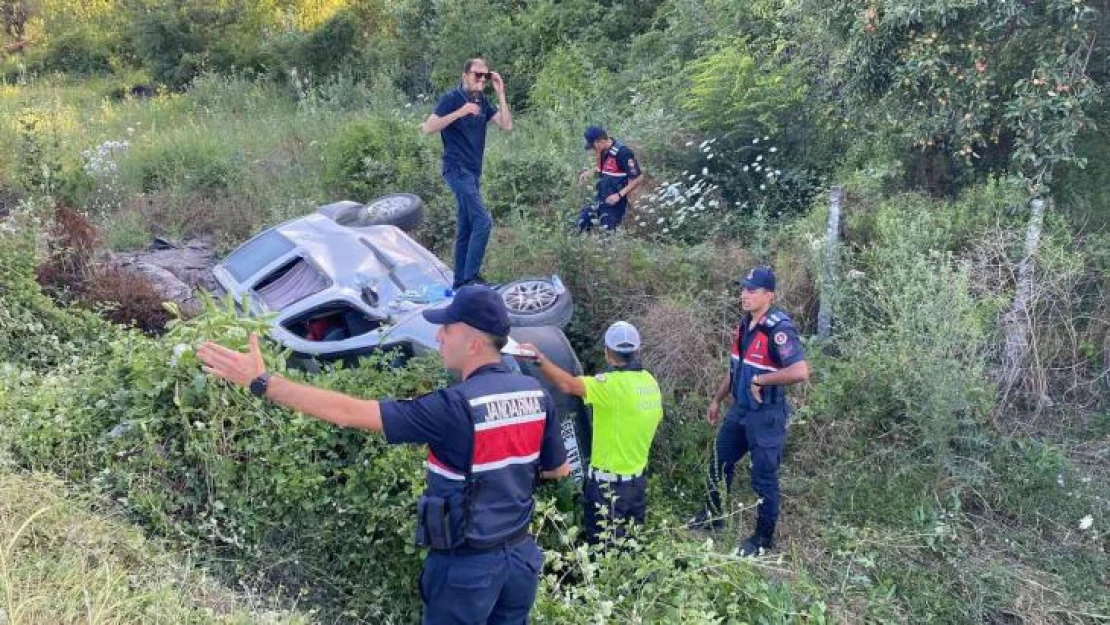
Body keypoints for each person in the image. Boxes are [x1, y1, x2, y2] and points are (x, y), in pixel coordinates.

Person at [197, 286, 570, 624]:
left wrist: (263, 383)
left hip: (467, 572)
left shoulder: (453, 407)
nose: (439, 336)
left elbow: (348, 413)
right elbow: (558, 469)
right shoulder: (534, 394)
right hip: (520, 563)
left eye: (448, 329)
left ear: (473, 343)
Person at [688, 267, 809, 557]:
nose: (744, 295)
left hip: (765, 415)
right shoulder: (744, 326)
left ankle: (762, 540)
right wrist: (717, 400)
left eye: (751, 290)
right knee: (720, 460)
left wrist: (763, 380)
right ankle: (713, 515)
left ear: (769, 295)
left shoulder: (778, 329)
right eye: (743, 289)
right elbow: (736, 369)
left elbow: (800, 371)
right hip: (740, 410)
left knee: (763, 477)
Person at [517, 321, 663, 547]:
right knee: (632, 549)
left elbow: (568, 385)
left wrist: (538, 359)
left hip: (608, 490)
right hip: (637, 485)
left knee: (602, 550)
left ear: (607, 352)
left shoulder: (610, 386)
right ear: (637, 350)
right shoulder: (650, 382)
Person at [421, 58, 513, 290]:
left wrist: (500, 93)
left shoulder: (483, 100)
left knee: (466, 226)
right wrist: (460, 112)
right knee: (482, 221)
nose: (481, 79)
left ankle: (460, 282)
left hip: (472, 173)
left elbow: (506, 125)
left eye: (485, 75)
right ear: (465, 75)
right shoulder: (452, 99)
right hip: (456, 169)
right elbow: (428, 128)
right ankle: (471, 279)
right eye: (477, 75)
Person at [576, 126, 643, 232]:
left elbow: (638, 178)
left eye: (593, 147)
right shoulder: (603, 151)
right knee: (580, 224)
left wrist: (619, 195)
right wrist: (589, 173)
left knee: (607, 235)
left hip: (614, 203)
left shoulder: (623, 153)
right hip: (600, 197)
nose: (594, 150)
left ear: (600, 141)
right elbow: (603, 169)